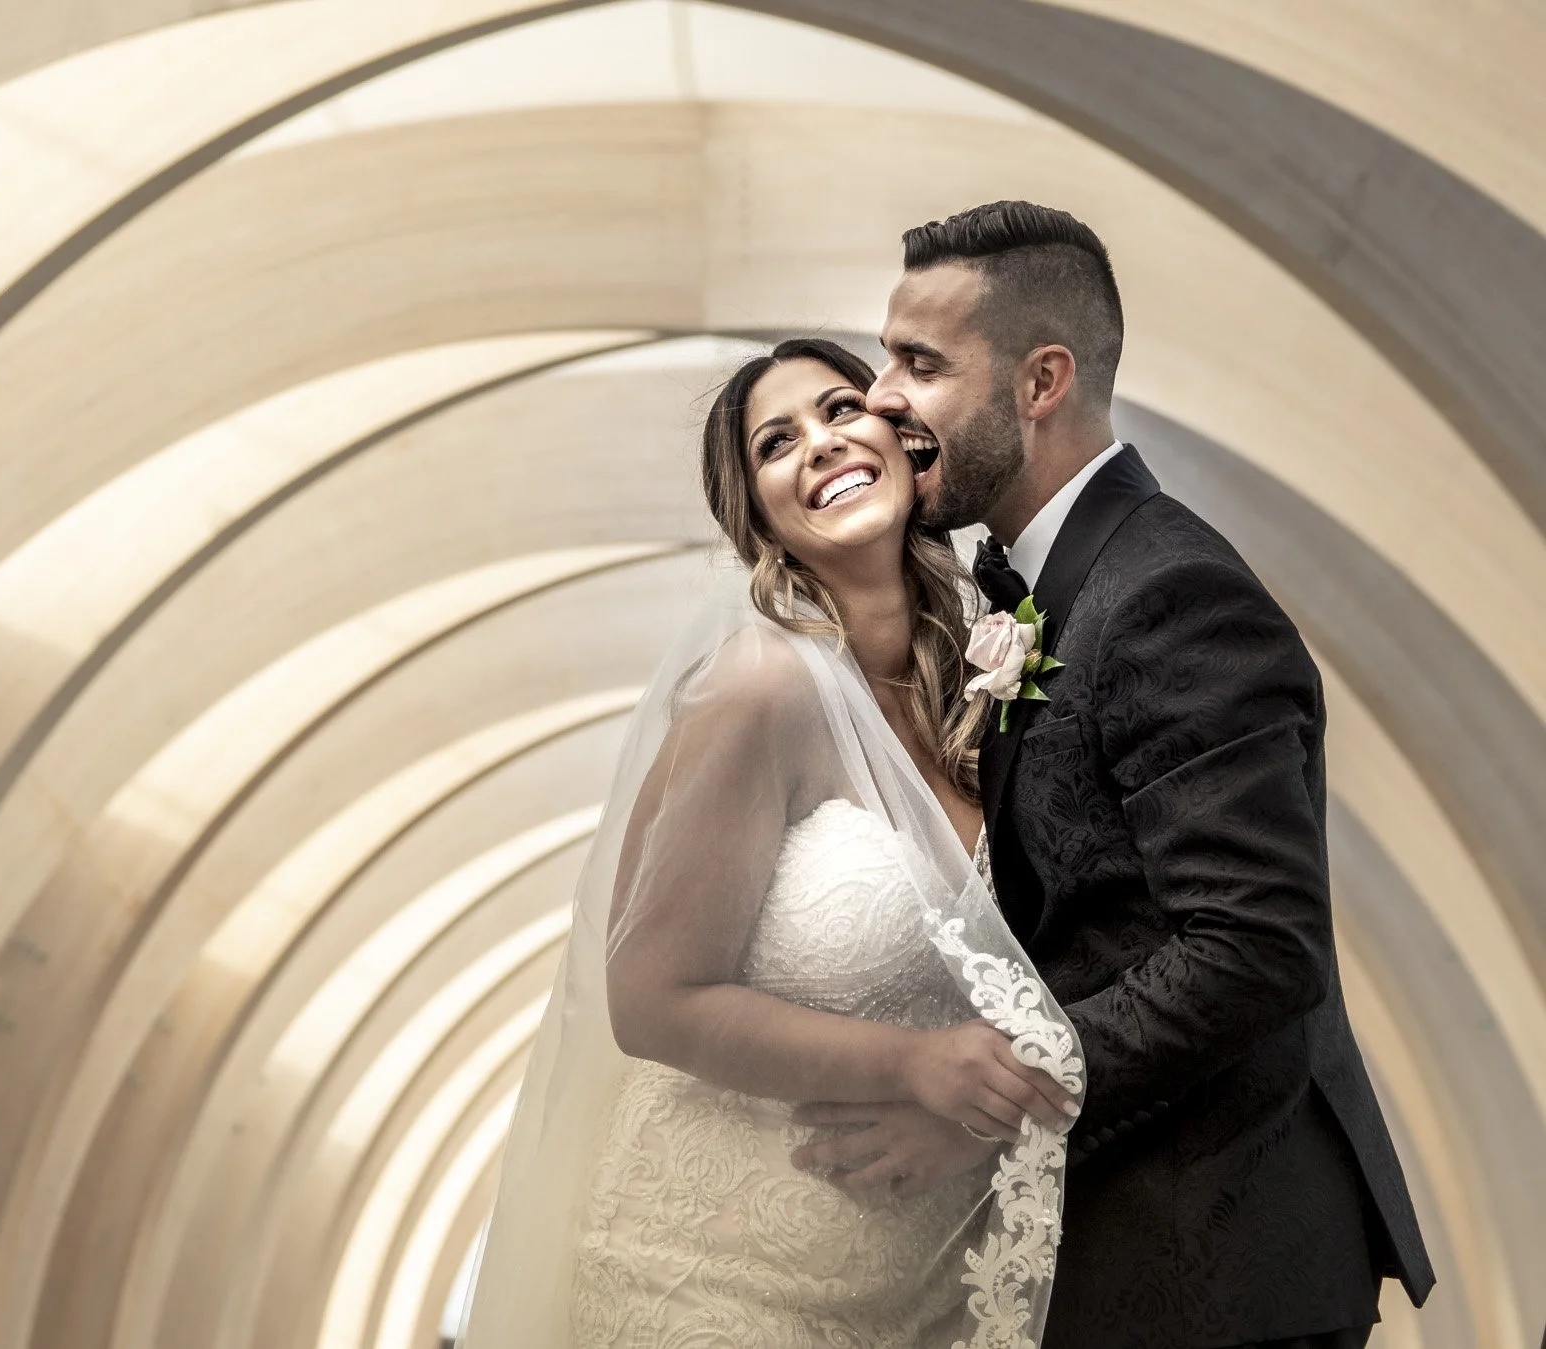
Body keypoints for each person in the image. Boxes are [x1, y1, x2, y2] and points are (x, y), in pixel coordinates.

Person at [792, 200, 1436, 1347]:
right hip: (1127, 1259)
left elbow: (1251, 944)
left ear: (1040, 380)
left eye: (920, 362)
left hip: (1216, 1272)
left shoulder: (1169, 596)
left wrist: (987, 1110)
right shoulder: (1036, 592)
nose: (881, 395)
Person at [461, 337, 1083, 1348]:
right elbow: (649, 998)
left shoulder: (987, 691)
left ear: (899, 435)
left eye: (842, 409)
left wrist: (974, 1112)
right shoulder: (760, 688)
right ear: (756, 518)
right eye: (776, 441)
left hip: (919, 1298)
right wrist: (913, 1065)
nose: (821, 444)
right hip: (711, 1283)